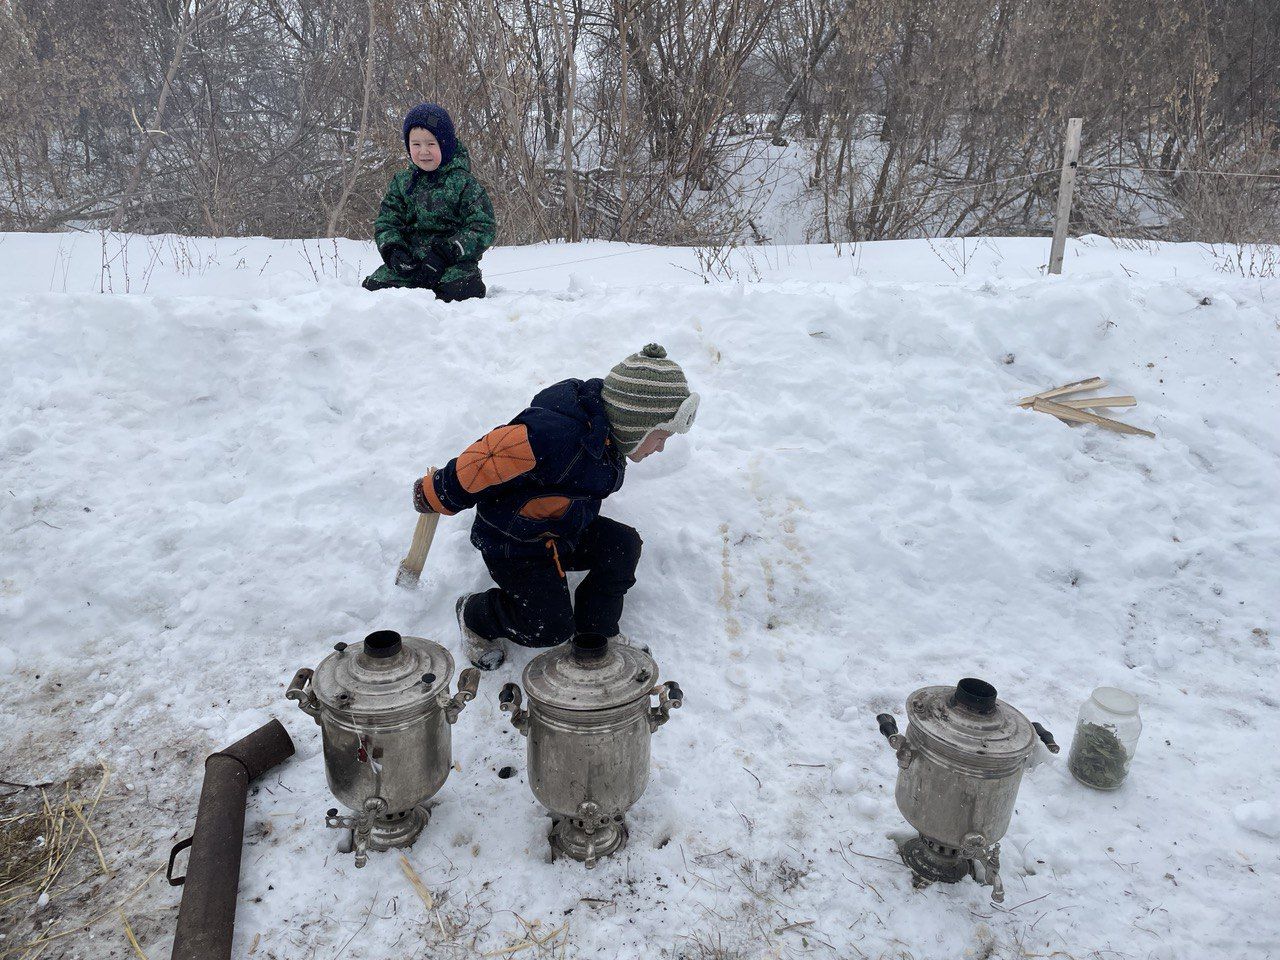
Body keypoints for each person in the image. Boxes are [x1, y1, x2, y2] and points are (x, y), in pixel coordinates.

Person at [411, 344, 699, 669]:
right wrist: (438, 492)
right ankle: (476, 615)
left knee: (622, 545)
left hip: (563, 529)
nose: (661, 448)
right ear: (635, 422)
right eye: (660, 437)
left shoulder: (611, 437)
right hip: (515, 544)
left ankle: (596, 635)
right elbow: (488, 458)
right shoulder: (553, 437)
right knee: (549, 628)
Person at [362, 103, 496, 302]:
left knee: (461, 291)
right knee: (374, 290)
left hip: (452, 263)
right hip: (412, 262)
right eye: (416, 144)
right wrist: (394, 250)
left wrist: (448, 251)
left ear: (446, 144)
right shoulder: (402, 182)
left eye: (431, 144)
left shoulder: (464, 183)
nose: (423, 151)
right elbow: (387, 222)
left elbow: (483, 227)